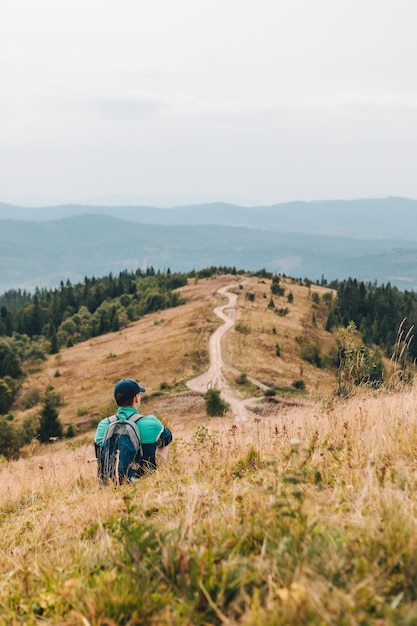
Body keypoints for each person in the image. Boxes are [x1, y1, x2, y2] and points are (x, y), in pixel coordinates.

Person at [94, 378, 172, 481]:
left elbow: (99, 453)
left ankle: (107, 482)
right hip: (144, 481)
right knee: (162, 444)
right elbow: (168, 438)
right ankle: (163, 475)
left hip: (111, 483)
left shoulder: (103, 425)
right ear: (136, 398)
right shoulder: (151, 422)